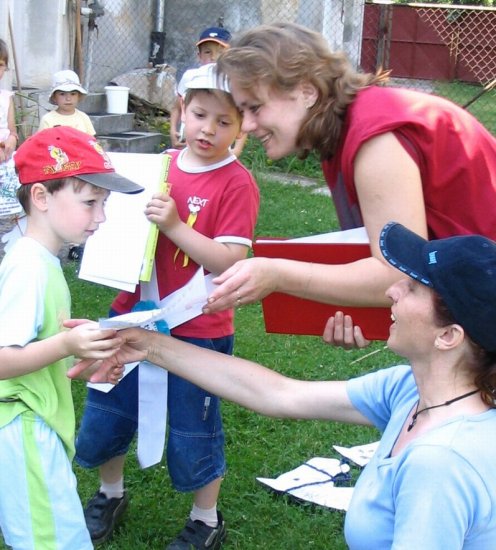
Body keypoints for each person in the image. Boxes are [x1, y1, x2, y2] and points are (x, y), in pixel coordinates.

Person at [70, 221, 496, 548]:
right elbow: (279, 393)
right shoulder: (414, 392)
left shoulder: (438, 464)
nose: (391, 291)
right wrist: (147, 344)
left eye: (413, 286)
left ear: (449, 336)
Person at [202, 22, 496, 348]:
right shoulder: (341, 133)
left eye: (255, 108)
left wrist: (278, 274)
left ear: (307, 91)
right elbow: (395, 267)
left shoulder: (374, 138)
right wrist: (364, 312)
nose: (247, 125)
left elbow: (399, 273)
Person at [75, 63, 260, 548]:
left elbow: (230, 262)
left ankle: (205, 519)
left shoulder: (237, 183)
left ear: (242, 128)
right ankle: (110, 492)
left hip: (199, 325)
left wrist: (177, 226)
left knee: (193, 429)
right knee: (109, 406)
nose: (208, 129)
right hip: (131, 311)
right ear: (181, 111)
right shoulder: (158, 166)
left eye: (225, 121)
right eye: (200, 114)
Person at [0, 126, 142, 550]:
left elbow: (34, 354)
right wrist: (66, 345)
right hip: (24, 428)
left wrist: (86, 364)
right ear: (41, 198)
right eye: (90, 203)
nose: (101, 218)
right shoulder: (27, 267)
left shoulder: (40, 260)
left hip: (36, 422)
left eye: (104, 204)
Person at [169, 26, 247, 157]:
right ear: (199, 56)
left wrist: (237, 149)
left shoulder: (234, 81)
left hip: (218, 147)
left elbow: (242, 117)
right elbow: (177, 107)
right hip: (188, 144)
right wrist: (172, 131)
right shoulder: (190, 76)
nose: (214, 57)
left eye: (220, 52)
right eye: (207, 52)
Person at [0, 37, 21, 221]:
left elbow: (12, 130)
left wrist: (12, 140)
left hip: (5, 160)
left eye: (0, 64)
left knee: (7, 210)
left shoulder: (7, 98)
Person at [38, 69, 96, 136]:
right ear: (54, 97)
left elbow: (91, 141)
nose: (68, 99)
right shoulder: (48, 119)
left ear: (79, 96)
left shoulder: (83, 117)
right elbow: (42, 141)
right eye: (62, 94)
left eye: (73, 94)